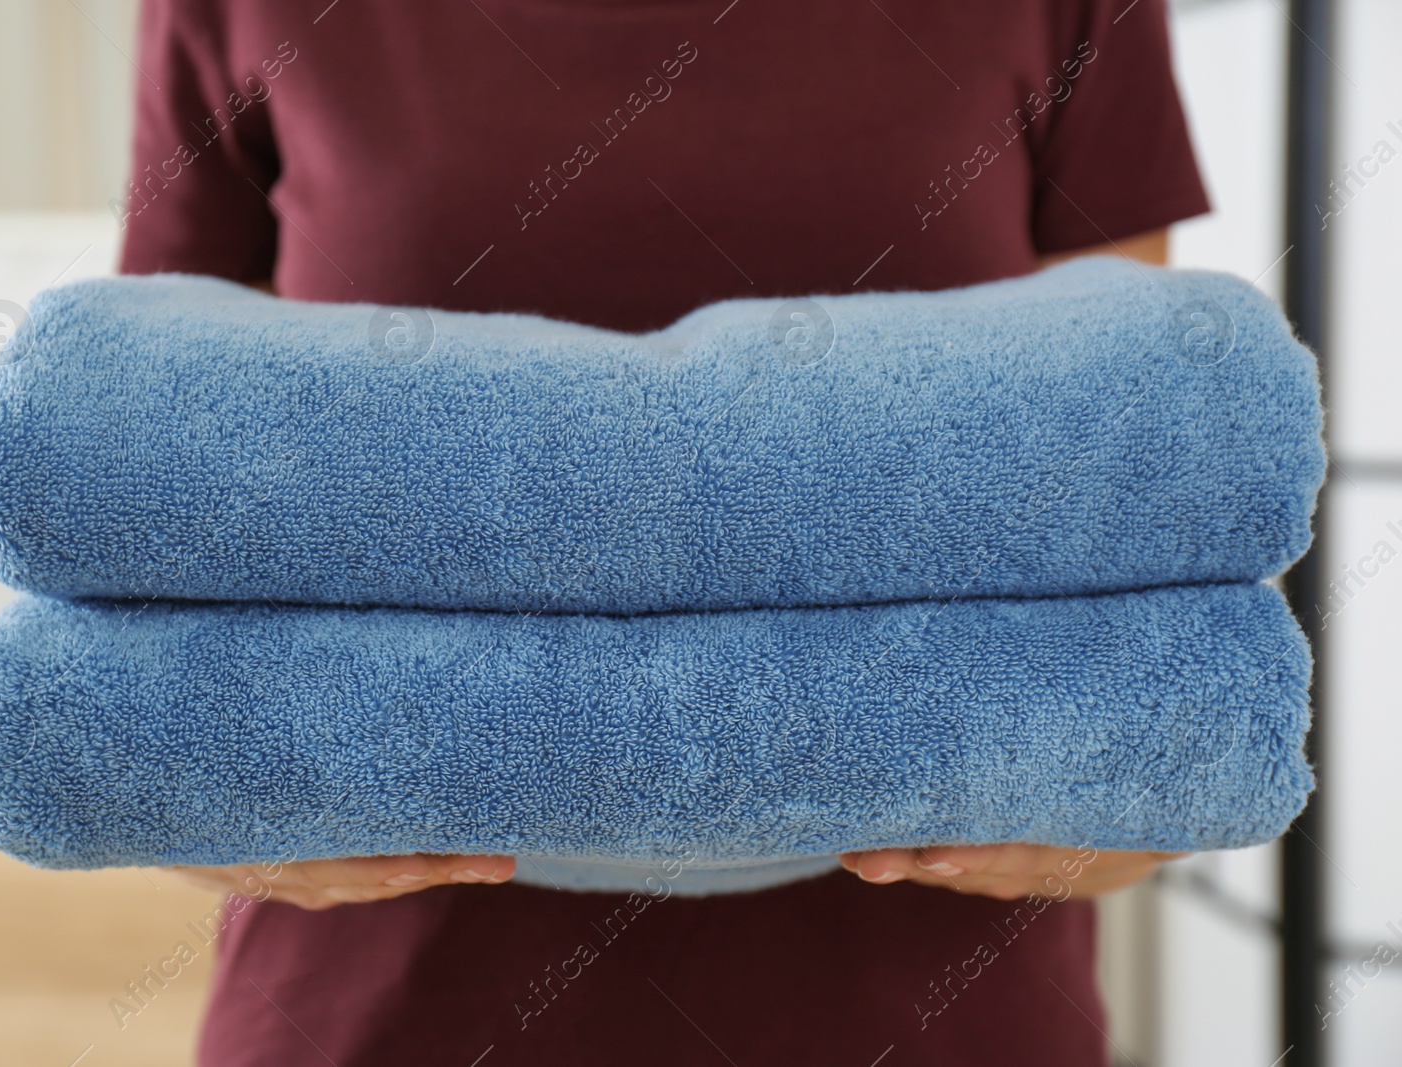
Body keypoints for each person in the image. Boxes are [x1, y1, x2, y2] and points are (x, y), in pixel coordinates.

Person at [118, 1, 1208, 1062]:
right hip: (376, 1013)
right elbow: (170, 492)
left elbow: (1130, 483)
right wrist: (190, 790)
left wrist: (1139, 787)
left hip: (940, 1015)